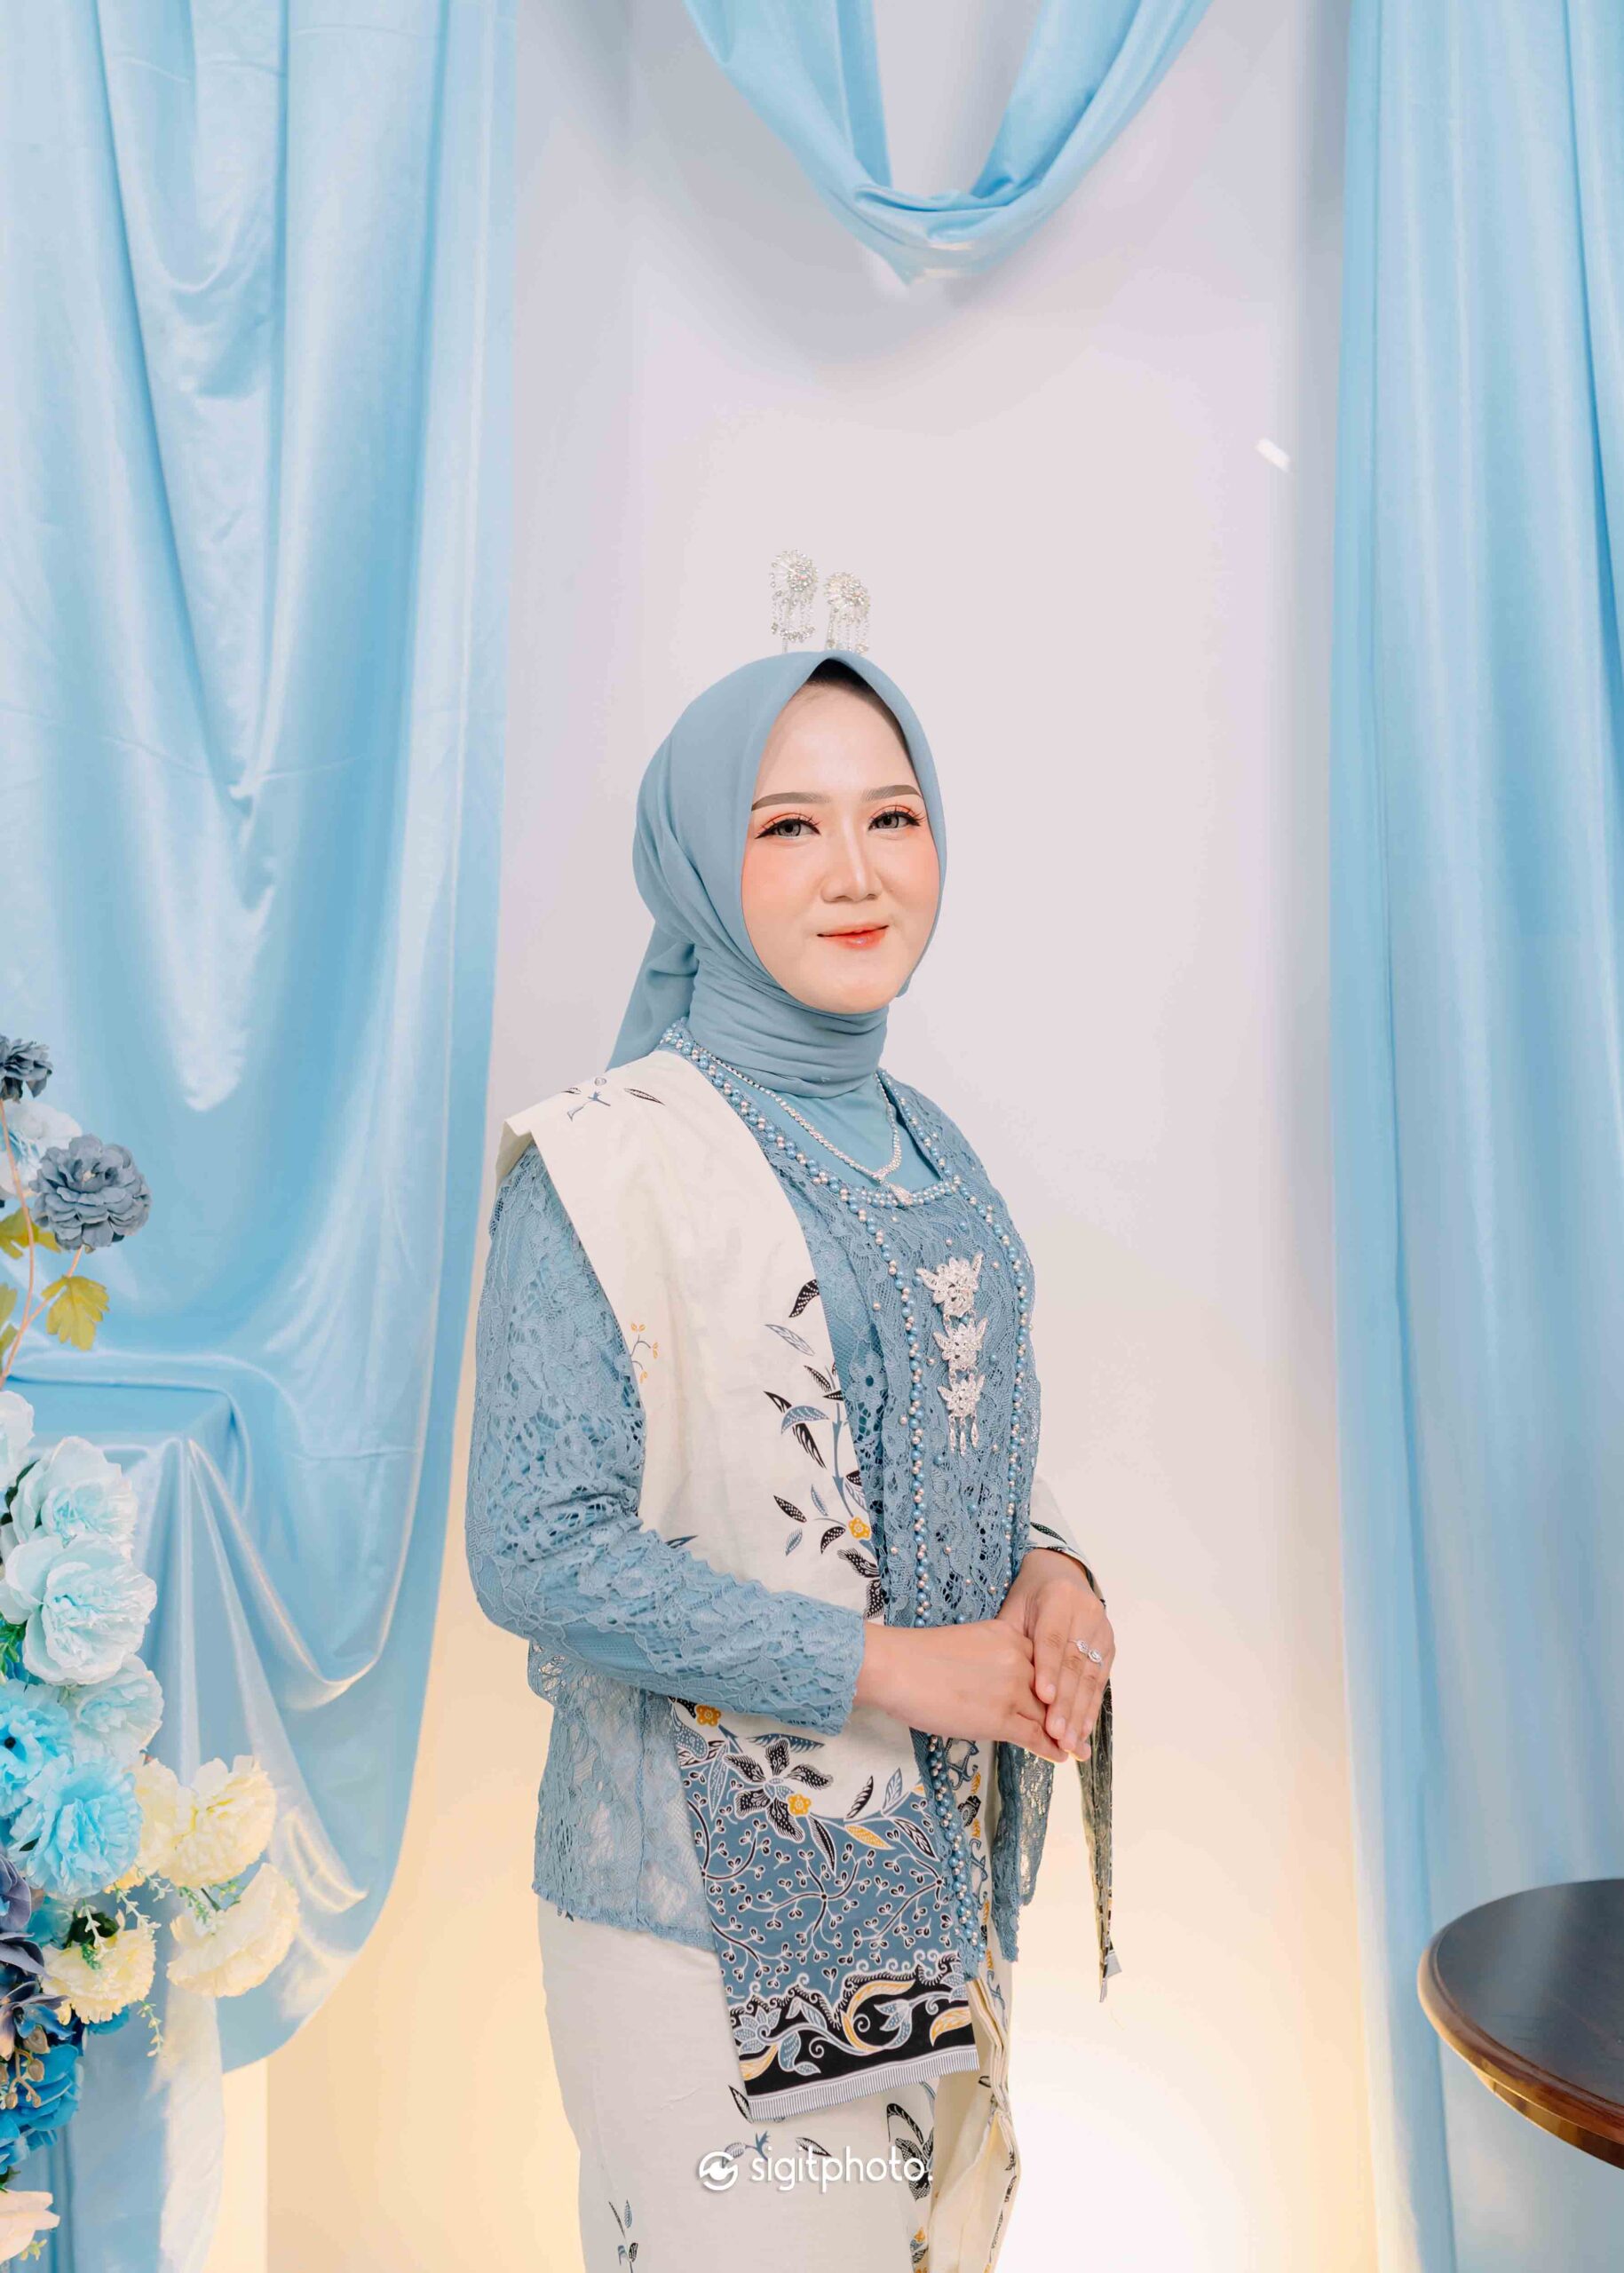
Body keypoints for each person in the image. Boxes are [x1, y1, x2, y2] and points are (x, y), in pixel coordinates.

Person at [465, 645, 1116, 2273]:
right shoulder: (604, 1163)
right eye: (786, 827)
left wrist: (1052, 1574)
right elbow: (536, 1549)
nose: (853, 872)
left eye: (891, 817)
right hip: (693, 1915)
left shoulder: (926, 1143)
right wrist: (895, 1668)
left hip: (919, 1878)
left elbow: (945, 1441)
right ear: (699, 859)